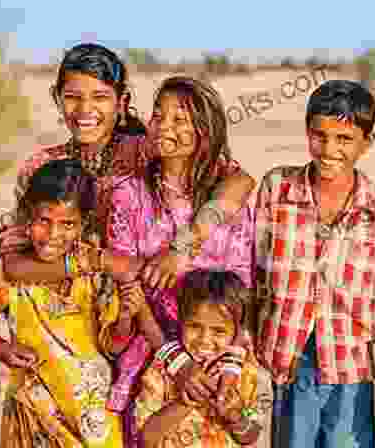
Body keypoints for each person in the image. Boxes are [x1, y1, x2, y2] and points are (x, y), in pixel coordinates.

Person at [252, 79, 375, 448]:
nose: (329, 149)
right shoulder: (278, 189)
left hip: (350, 364)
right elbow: (253, 273)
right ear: (307, 133)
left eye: (344, 139)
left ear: (366, 143)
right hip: (289, 363)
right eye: (319, 136)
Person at [0, 42, 255, 288]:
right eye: (72, 97)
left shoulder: (147, 148)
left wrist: (185, 244)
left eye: (100, 97)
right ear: (57, 98)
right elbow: (14, 264)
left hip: (135, 304)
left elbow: (240, 181)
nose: (85, 109)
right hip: (67, 309)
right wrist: (99, 262)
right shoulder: (41, 167)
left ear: (122, 102)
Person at [105, 76, 255, 446]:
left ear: (204, 131)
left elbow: (241, 292)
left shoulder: (227, 198)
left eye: (180, 119)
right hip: (150, 359)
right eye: (158, 116)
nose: (163, 127)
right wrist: (176, 361)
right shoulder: (128, 194)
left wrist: (228, 367)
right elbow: (130, 287)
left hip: (219, 358)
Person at [0, 159, 138, 447]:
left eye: (67, 224)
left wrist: (127, 316)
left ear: (83, 224)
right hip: (34, 416)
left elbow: (112, 345)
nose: (54, 235)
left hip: (93, 416)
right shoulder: (4, 268)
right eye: (44, 220)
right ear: (28, 216)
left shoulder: (96, 271)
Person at [135, 269, 262, 448]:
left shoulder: (244, 372)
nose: (204, 339)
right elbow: (145, 438)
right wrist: (184, 403)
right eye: (194, 326)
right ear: (181, 322)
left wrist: (235, 417)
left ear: (237, 332)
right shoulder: (164, 369)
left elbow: (251, 435)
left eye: (218, 331)